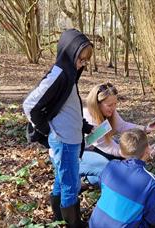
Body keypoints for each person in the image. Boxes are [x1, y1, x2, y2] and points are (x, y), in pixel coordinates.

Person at [23, 29, 94, 227]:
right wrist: (48, 131)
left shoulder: (69, 76)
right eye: (81, 59)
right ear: (69, 52)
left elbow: (66, 108)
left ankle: (59, 218)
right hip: (64, 141)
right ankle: (73, 223)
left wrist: (85, 126)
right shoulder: (59, 75)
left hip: (70, 138)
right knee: (71, 184)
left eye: (85, 61)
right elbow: (30, 106)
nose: (83, 64)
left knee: (61, 180)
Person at [89, 128, 155, 227]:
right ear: (148, 149)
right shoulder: (150, 180)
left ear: (122, 152)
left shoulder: (111, 166)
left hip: (94, 224)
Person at [79, 83, 155, 185]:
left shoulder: (110, 111)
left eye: (115, 104)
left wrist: (145, 129)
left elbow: (122, 126)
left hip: (97, 147)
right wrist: (135, 153)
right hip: (80, 152)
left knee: (122, 159)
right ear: (97, 104)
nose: (113, 108)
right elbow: (108, 147)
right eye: (109, 105)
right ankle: (86, 178)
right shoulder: (89, 118)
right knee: (107, 169)